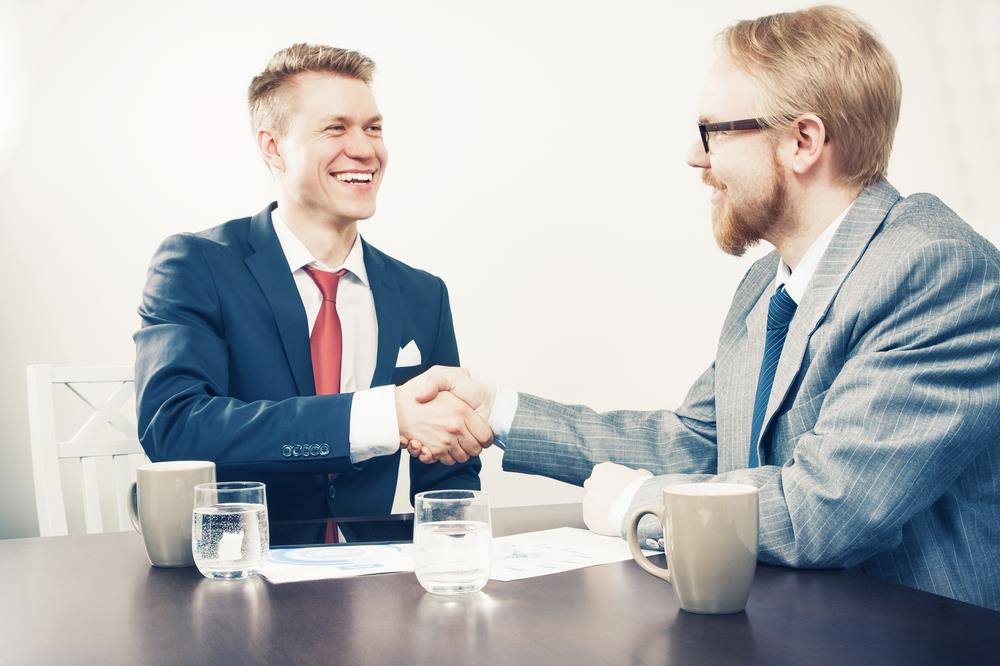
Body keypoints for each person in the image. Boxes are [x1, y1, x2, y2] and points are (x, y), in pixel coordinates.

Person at [407, 6, 1000, 610]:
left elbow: (826, 508)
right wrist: (499, 411)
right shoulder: (766, 285)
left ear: (803, 141)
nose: (696, 156)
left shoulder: (938, 271)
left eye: (713, 131)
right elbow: (694, 444)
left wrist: (636, 504)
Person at [134, 44, 490, 545]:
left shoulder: (422, 294)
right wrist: (382, 415)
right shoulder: (196, 265)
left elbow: (449, 469)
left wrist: (455, 557)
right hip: (241, 574)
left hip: (376, 582)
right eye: (335, 128)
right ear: (272, 146)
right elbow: (174, 428)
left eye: (373, 128)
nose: (365, 149)